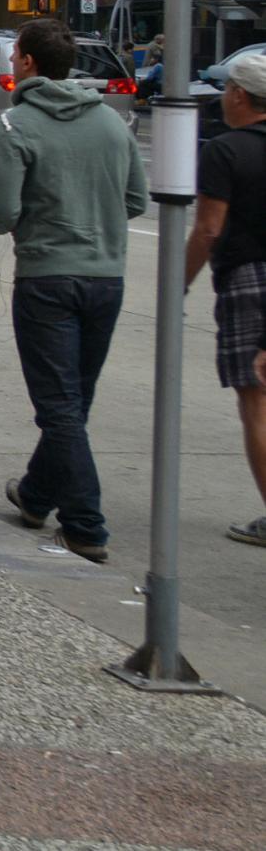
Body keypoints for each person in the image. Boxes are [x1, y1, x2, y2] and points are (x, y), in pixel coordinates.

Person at [0, 17, 150, 562]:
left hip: (47, 277)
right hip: (107, 277)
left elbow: (3, 214)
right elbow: (135, 201)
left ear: (28, 62)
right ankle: (36, 495)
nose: (12, 62)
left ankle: (85, 525)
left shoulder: (16, 126)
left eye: (15, 54)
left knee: (58, 408)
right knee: (74, 402)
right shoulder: (110, 122)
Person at [188, 47, 266, 548]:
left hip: (249, 283)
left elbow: (209, 228)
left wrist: (181, 278)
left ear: (238, 95)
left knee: (257, 405)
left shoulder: (224, 150)